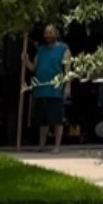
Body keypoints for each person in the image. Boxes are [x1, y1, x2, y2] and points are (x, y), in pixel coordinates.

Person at [24, 24, 72, 152]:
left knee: (57, 120)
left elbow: (68, 70)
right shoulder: (41, 50)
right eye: (46, 33)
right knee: (42, 121)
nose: (48, 35)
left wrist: (67, 86)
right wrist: (26, 61)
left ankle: (56, 146)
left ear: (56, 34)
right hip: (40, 89)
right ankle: (42, 145)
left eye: (51, 32)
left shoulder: (64, 49)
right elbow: (34, 68)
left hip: (56, 89)